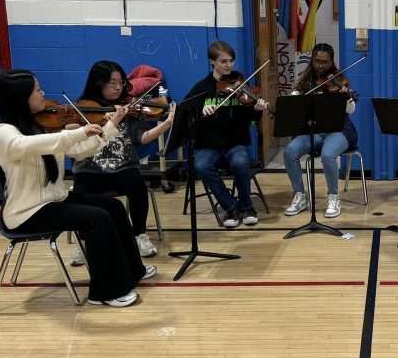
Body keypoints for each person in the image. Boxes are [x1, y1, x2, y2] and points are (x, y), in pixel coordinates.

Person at [0, 69, 152, 308]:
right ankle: (105, 292)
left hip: (54, 199)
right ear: (20, 96)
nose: (43, 93)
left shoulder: (43, 127)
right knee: (96, 218)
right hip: (26, 212)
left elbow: (79, 150)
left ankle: (133, 269)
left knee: (113, 207)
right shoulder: (3, 132)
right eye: (37, 89)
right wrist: (77, 131)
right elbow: (24, 145)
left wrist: (110, 126)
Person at [69, 60, 176, 263]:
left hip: (122, 167)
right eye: (112, 83)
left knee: (137, 185)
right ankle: (84, 241)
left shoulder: (128, 106)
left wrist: (165, 124)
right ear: (98, 83)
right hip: (90, 169)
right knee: (80, 192)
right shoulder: (83, 108)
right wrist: (103, 122)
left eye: (120, 82)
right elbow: (72, 135)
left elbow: (141, 138)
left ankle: (138, 235)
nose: (118, 87)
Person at [184, 41, 268, 228]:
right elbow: (186, 113)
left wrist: (257, 109)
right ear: (212, 61)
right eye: (223, 61)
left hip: (235, 142)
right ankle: (231, 206)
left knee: (240, 162)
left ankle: (247, 207)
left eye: (231, 61)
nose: (229, 65)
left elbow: (250, 119)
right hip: (209, 144)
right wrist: (201, 111)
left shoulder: (241, 85)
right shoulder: (202, 88)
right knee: (201, 165)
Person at [283, 43, 359, 220]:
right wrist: (295, 98)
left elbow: (351, 110)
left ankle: (333, 197)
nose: (321, 66)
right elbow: (294, 103)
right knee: (290, 151)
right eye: (317, 61)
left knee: (327, 155)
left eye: (325, 62)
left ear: (332, 61)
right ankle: (300, 195)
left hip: (338, 131)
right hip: (313, 131)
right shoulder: (306, 80)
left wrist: (346, 96)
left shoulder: (340, 80)